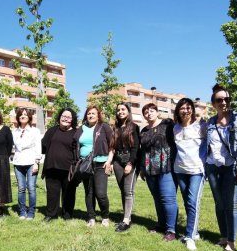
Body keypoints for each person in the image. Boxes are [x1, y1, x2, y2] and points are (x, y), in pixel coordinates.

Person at [206, 84, 237, 251]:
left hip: (232, 167)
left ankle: (231, 242)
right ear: (213, 104)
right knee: (219, 204)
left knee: (231, 205)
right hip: (213, 167)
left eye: (227, 99)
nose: (224, 102)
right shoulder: (210, 123)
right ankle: (223, 236)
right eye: (219, 100)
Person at [140, 103, 178, 241]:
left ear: (157, 112)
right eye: (145, 112)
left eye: (151, 111)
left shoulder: (168, 124)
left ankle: (171, 230)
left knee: (168, 199)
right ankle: (162, 225)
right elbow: (143, 151)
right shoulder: (143, 131)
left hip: (167, 167)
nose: (148, 113)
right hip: (150, 169)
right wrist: (142, 169)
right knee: (157, 199)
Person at [173, 98, 207, 251]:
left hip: (197, 171)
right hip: (180, 170)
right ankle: (195, 231)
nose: (185, 110)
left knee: (193, 201)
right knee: (187, 202)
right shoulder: (175, 128)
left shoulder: (201, 127)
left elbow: (210, 145)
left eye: (188, 108)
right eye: (182, 108)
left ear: (192, 110)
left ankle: (189, 236)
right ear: (178, 111)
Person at [73, 105, 113, 228]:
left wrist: (109, 161)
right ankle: (91, 217)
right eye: (89, 113)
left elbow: (112, 145)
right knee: (89, 192)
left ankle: (105, 216)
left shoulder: (104, 127)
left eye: (93, 113)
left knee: (101, 194)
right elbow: (75, 143)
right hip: (85, 164)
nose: (90, 115)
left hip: (101, 164)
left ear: (98, 115)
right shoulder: (81, 129)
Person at [42, 108, 78, 221]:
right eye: (64, 116)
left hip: (69, 170)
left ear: (72, 120)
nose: (65, 118)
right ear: (59, 117)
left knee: (69, 193)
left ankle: (67, 215)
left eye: (68, 117)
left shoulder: (76, 133)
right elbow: (43, 146)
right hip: (51, 167)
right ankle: (50, 214)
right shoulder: (52, 131)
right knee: (52, 193)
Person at [109, 103, 140, 232]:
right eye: (118, 110)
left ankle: (126, 221)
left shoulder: (134, 127)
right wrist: (110, 162)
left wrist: (130, 163)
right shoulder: (115, 128)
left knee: (128, 191)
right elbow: (113, 147)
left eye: (123, 109)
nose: (120, 112)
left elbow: (136, 147)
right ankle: (126, 217)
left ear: (128, 111)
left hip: (129, 161)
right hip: (117, 163)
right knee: (123, 190)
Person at [12, 108, 41, 220]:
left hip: (31, 162)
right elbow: (13, 147)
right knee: (21, 188)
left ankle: (31, 212)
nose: (23, 116)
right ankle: (22, 211)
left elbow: (38, 147)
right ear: (18, 118)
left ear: (29, 117)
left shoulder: (35, 131)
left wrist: (36, 162)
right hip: (18, 162)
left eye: (25, 114)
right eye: (20, 115)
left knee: (31, 188)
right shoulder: (15, 132)